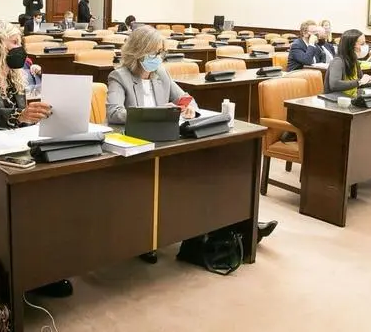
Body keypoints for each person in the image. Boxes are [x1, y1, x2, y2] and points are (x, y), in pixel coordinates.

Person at [107, 26, 277, 255]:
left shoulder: (161, 74)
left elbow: (187, 99)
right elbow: (115, 113)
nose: (158, 58)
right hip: (138, 145)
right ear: (139, 51)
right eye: (154, 53)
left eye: (161, 53)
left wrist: (188, 109)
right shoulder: (119, 77)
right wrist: (157, 112)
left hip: (169, 140)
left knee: (209, 172)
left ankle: (240, 226)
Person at [0, 21, 71, 298]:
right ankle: (22, 272)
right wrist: (16, 116)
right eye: (14, 42)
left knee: (52, 187)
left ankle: (45, 264)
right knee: (28, 200)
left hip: (12, 150)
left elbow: (22, 120)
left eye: (20, 41)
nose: (19, 47)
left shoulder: (15, 77)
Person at [324, 29, 371, 182]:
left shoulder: (354, 60)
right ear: (351, 44)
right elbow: (334, 85)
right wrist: (359, 82)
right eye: (362, 43)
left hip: (352, 104)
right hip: (337, 107)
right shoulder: (338, 61)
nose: (364, 46)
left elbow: (360, 83)